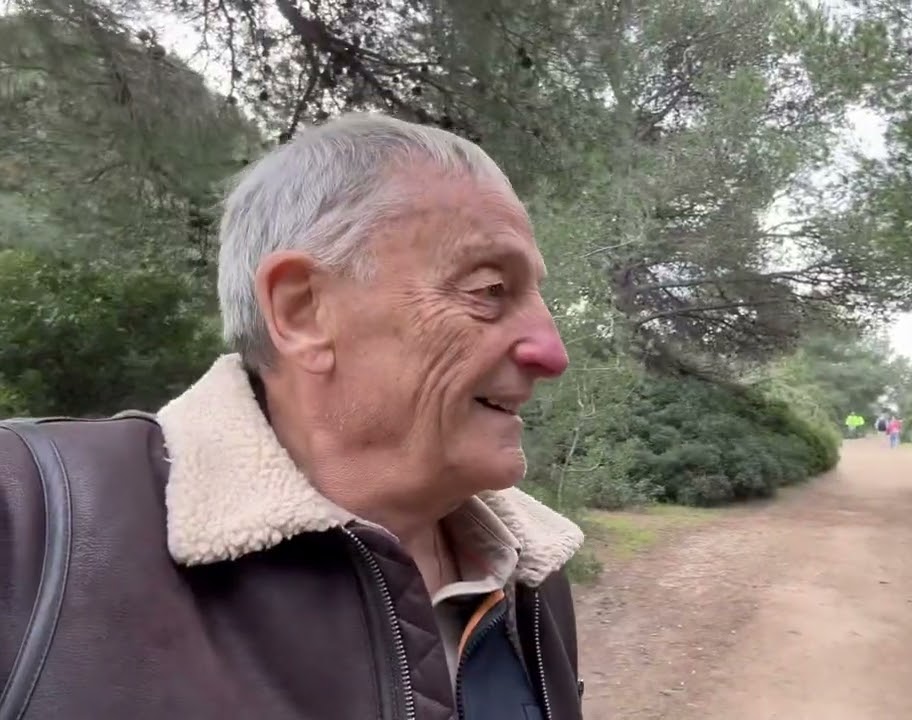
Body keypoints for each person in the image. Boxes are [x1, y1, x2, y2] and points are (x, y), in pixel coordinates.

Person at [0, 113, 586, 719]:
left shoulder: (531, 571)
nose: (552, 353)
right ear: (303, 311)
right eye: (489, 290)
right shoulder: (26, 521)